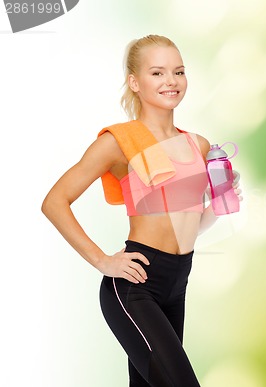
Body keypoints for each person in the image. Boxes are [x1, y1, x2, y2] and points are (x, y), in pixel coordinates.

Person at [42, 34, 242, 387]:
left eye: (178, 72)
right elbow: (55, 201)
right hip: (136, 285)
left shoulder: (197, 144)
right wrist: (103, 260)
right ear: (135, 82)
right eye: (157, 73)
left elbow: (189, 227)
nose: (171, 81)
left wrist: (222, 202)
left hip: (177, 282)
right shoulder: (118, 142)